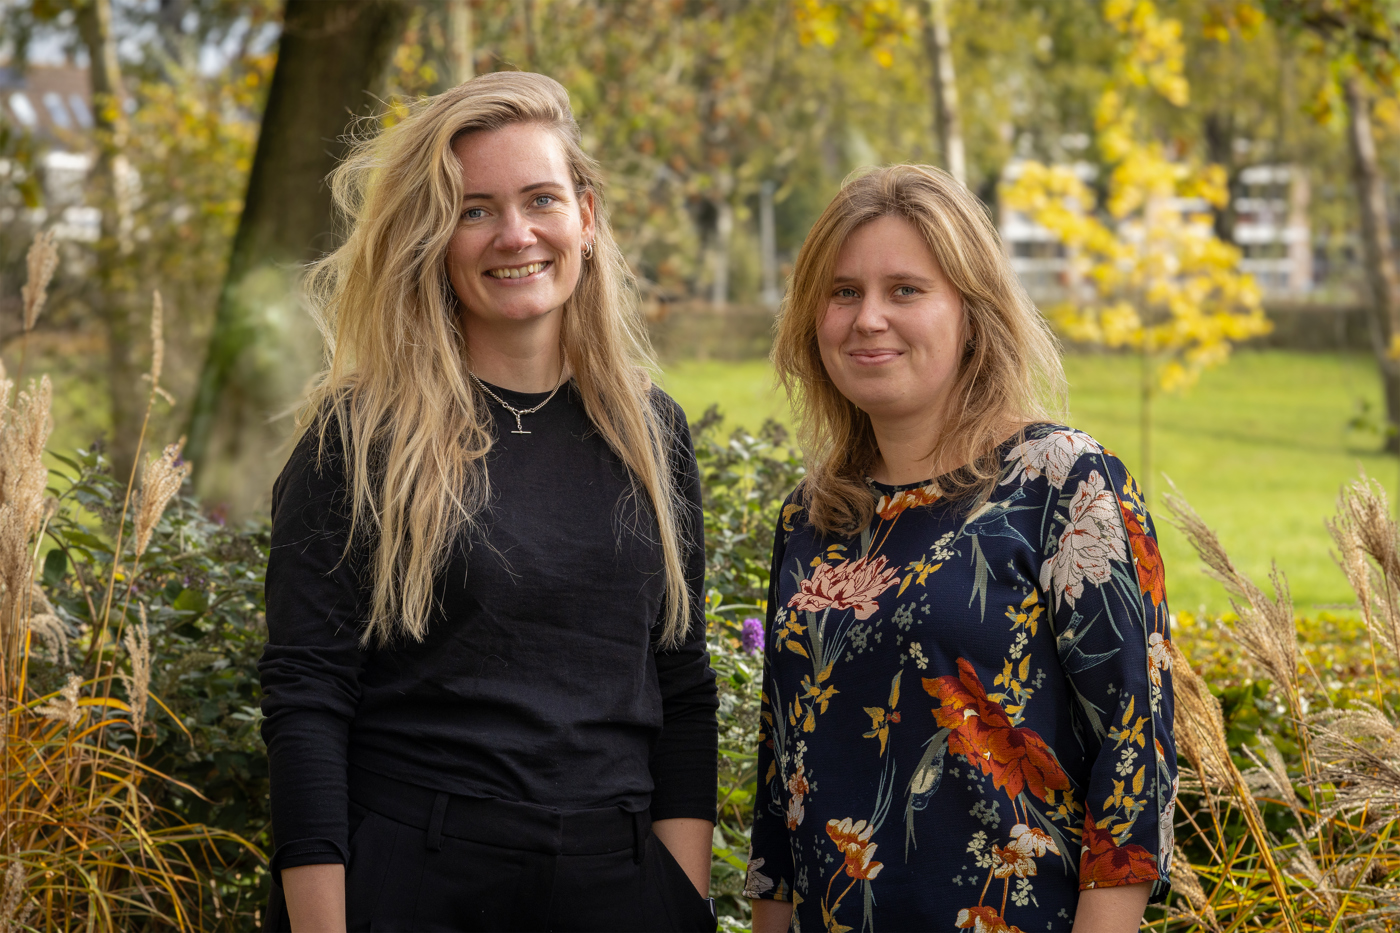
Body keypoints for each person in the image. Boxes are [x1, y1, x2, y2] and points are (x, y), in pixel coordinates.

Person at [258, 72, 719, 933]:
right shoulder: (358, 438)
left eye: (540, 199)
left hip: (616, 885)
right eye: (473, 210)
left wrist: (678, 901)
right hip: (419, 881)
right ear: (432, 237)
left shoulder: (650, 431)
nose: (515, 235)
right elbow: (307, 700)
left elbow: (681, 684)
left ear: (584, 215)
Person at [745, 165, 1176, 933]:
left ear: (971, 313)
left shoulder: (1064, 485)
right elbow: (783, 783)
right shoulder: (810, 519)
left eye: (905, 290)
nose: (868, 317)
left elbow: (1134, 763)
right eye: (843, 292)